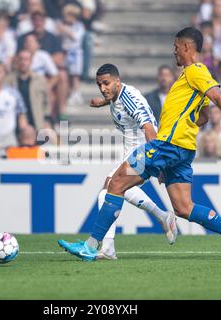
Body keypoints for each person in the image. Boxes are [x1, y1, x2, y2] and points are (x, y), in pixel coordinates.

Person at [58, 27, 221, 262]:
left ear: (187, 47)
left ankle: (92, 246)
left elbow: (217, 96)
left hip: (167, 145)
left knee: (115, 184)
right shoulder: (189, 79)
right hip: (182, 149)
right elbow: (203, 116)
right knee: (184, 208)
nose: (174, 51)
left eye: (176, 47)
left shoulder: (196, 70)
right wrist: (184, 123)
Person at [81, 63, 177, 260]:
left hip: (143, 154)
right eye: (99, 85)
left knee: (108, 190)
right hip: (131, 152)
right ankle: (163, 217)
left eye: (106, 83)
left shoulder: (130, 99)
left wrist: (158, 163)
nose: (103, 88)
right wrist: (101, 102)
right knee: (119, 189)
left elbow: (150, 129)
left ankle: (107, 248)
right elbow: (115, 101)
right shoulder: (116, 94)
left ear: (118, 81)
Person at [6, 50, 53, 132]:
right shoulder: (8, 81)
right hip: (14, 125)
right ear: (17, 61)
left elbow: (46, 103)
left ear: (31, 62)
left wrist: (47, 120)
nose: (23, 62)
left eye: (26, 60)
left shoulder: (40, 80)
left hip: (36, 123)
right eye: (21, 59)